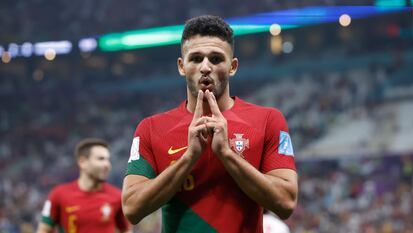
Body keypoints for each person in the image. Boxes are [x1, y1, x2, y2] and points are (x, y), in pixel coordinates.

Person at [122, 15, 298, 233]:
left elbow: (286, 203)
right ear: (181, 66)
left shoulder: (268, 120)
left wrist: (226, 153)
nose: (205, 67)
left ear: (232, 66)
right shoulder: (150, 128)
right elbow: (131, 208)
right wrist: (189, 157)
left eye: (216, 59)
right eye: (195, 59)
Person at [37, 138, 131, 233]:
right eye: (101, 159)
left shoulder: (117, 196)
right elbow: (44, 230)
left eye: (108, 159)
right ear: (82, 162)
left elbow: (126, 230)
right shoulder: (58, 195)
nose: (107, 164)